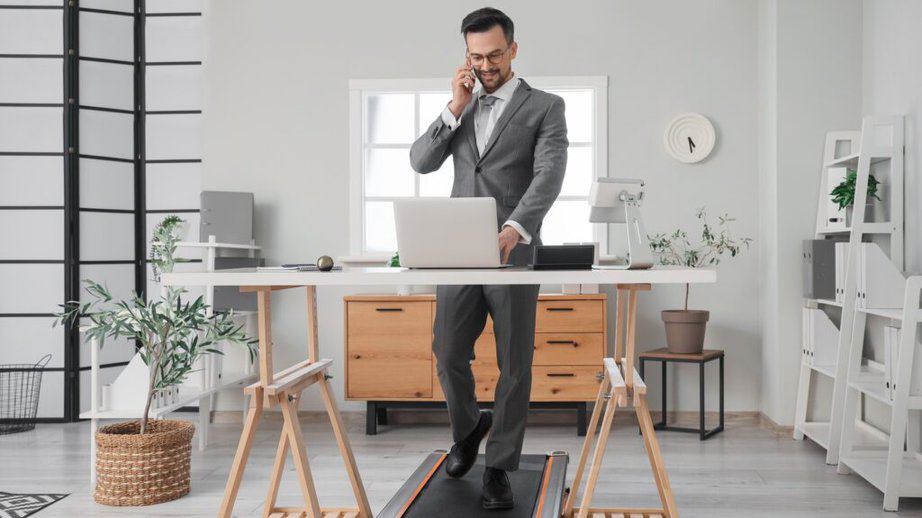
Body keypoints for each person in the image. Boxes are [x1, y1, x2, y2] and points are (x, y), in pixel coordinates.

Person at [409, 7, 568, 510]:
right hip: (458, 255)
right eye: (476, 56)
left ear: (513, 50)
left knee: (514, 363)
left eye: (495, 54)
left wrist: (515, 226)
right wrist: (453, 108)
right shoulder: (462, 107)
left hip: (514, 252)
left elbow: (548, 175)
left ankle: (499, 467)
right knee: (448, 352)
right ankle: (468, 428)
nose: (486, 65)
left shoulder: (545, 106)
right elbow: (421, 161)